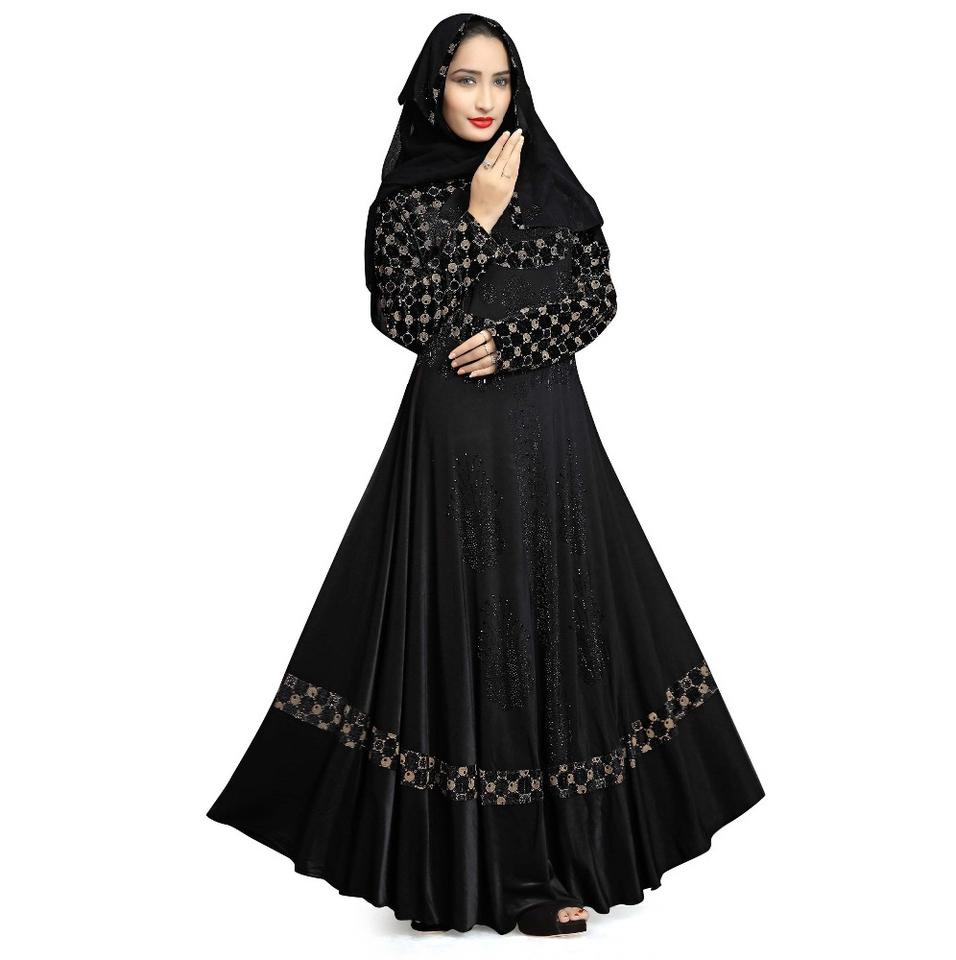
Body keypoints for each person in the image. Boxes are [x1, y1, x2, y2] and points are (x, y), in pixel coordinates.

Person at [206, 12, 765, 937]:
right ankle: (494, 875)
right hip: (457, 449)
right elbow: (407, 317)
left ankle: (577, 852)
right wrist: (476, 218)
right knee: (478, 630)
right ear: (434, 87)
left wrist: (515, 342)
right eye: (466, 79)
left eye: (500, 80)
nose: (485, 98)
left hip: (555, 442)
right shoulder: (409, 197)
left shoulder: (549, 178)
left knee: (569, 625)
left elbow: (598, 296)